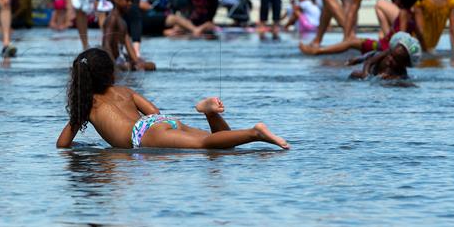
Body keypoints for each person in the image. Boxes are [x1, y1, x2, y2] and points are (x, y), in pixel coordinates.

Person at [56, 48, 290, 150]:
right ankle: (208, 112)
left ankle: (254, 133)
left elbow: (62, 144)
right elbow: (154, 112)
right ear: (110, 72)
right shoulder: (124, 91)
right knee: (218, 143)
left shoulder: (87, 106)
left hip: (142, 136)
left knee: (204, 145)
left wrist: (81, 143)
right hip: (157, 123)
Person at [301, 0, 422, 56]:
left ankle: (318, 51)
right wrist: (427, 50)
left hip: (383, 46)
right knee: (352, 42)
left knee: (350, 42)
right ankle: (318, 50)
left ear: (399, 0)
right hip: (385, 44)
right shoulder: (413, 14)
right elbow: (419, 34)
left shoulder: (403, 13)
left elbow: (401, 37)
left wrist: (391, 51)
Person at [101, 0, 155, 71]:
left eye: (132, 0)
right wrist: (113, 67)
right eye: (127, 0)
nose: (130, 3)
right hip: (113, 61)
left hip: (120, 59)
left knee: (151, 65)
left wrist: (137, 61)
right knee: (128, 67)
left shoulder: (122, 21)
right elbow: (106, 44)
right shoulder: (112, 19)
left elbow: (128, 44)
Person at [348, 32, 421, 81]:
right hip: (373, 56)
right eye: (391, 55)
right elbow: (369, 62)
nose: (390, 59)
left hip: (376, 72)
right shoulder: (387, 52)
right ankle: (357, 59)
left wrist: (388, 79)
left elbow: (400, 80)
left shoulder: (402, 73)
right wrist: (365, 75)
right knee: (355, 72)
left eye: (395, 60)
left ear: (404, 65)